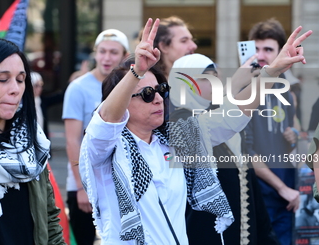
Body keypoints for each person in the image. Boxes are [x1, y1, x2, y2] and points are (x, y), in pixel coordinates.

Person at [79, 18, 311, 244]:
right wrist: (136, 72)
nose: (159, 99)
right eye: (148, 94)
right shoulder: (106, 149)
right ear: (123, 103)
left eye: (160, 90)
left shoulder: (176, 138)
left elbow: (234, 113)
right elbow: (107, 119)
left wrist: (271, 72)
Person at [168, 53, 280, 245]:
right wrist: (269, 73)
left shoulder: (226, 124)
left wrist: (265, 236)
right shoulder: (179, 122)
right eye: (205, 77)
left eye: (216, 76)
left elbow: (248, 184)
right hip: (202, 235)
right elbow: (223, 120)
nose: (214, 82)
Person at [0, 38, 65, 244]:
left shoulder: (34, 145)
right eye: (2, 79)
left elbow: (50, 220)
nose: (15, 89)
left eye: (20, 79)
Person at [62, 28, 129, 244]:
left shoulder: (127, 88)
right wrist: (82, 187)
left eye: (113, 52)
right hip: (84, 184)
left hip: (119, 181)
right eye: (102, 51)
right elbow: (72, 140)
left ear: (124, 56)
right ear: (95, 53)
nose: (106, 58)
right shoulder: (78, 88)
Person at [243, 18, 303, 245]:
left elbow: (294, 131)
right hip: (260, 193)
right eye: (256, 48)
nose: (261, 55)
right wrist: (282, 188)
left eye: (268, 49)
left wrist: (295, 136)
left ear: (281, 53)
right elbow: (245, 151)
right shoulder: (243, 92)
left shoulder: (287, 91)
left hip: (288, 194)